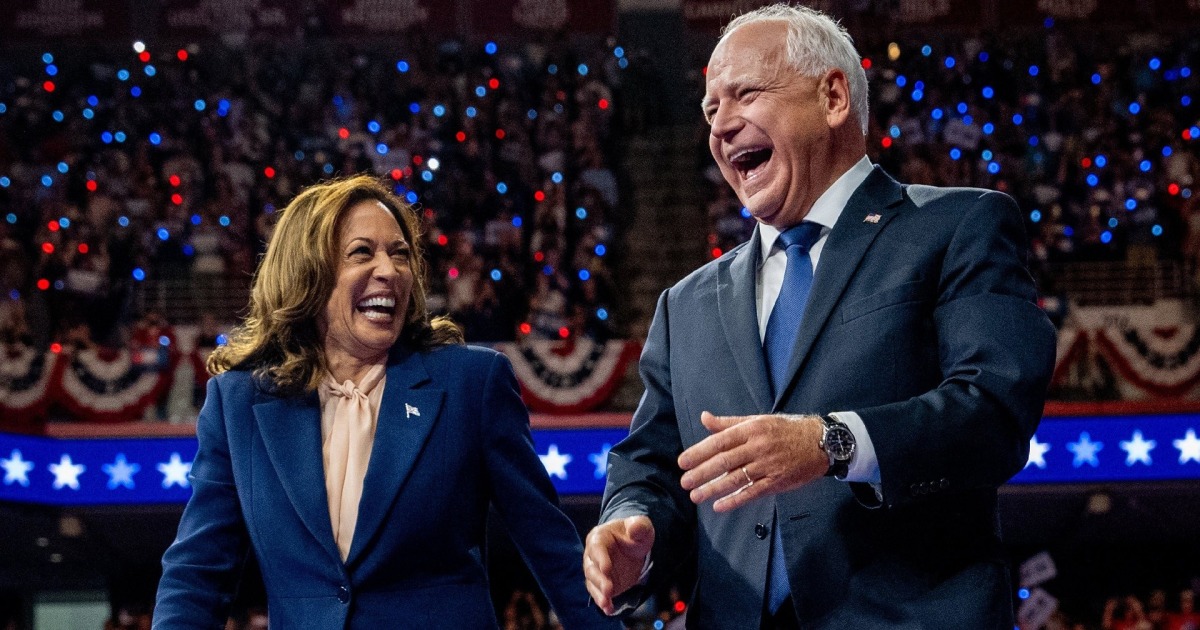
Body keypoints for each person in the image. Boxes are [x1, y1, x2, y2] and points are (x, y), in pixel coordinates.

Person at [583, 5, 1056, 629]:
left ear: (832, 96)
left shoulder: (957, 227)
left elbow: (993, 412)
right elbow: (651, 463)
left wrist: (831, 442)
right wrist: (631, 526)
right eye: (709, 110)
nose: (721, 124)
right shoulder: (686, 303)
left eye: (744, 93)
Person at [154, 176, 617, 629]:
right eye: (362, 253)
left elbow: (551, 550)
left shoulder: (470, 383)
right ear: (307, 274)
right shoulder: (238, 403)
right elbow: (197, 574)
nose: (389, 270)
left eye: (400, 254)